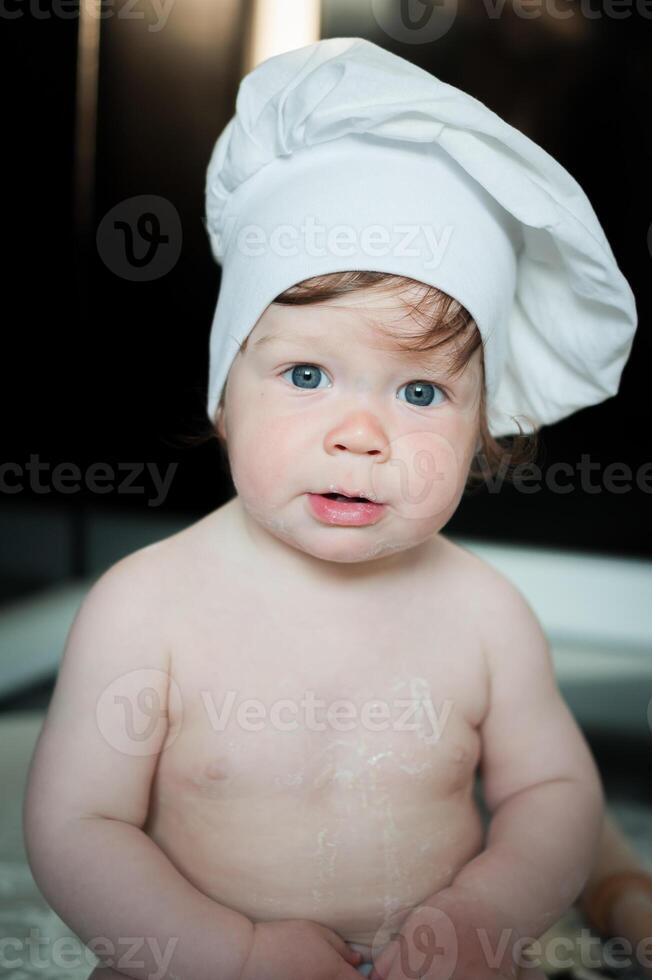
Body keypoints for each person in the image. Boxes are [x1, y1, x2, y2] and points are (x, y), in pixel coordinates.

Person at [22, 37, 649, 980]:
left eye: (422, 394)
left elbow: (552, 791)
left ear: (485, 430)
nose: (362, 436)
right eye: (307, 374)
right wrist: (228, 953)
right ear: (224, 395)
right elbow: (78, 826)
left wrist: (486, 912)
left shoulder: (485, 616)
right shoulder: (145, 607)